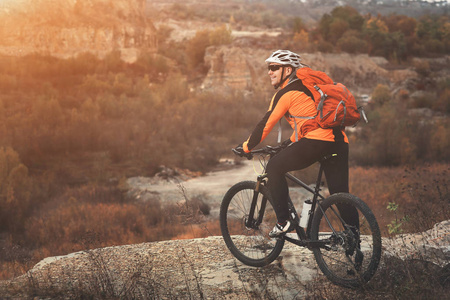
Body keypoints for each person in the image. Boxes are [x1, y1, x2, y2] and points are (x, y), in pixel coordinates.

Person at [234, 50, 358, 238]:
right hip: (339, 142)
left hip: (318, 142)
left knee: (274, 167)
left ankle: (284, 221)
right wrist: (286, 143)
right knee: (340, 195)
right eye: (269, 67)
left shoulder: (286, 93)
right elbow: (307, 122)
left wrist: (246, 147)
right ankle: (353, 239)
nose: (269, 71)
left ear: (288, 70)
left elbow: (265, 124)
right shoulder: (310, 88)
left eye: (274, 67)